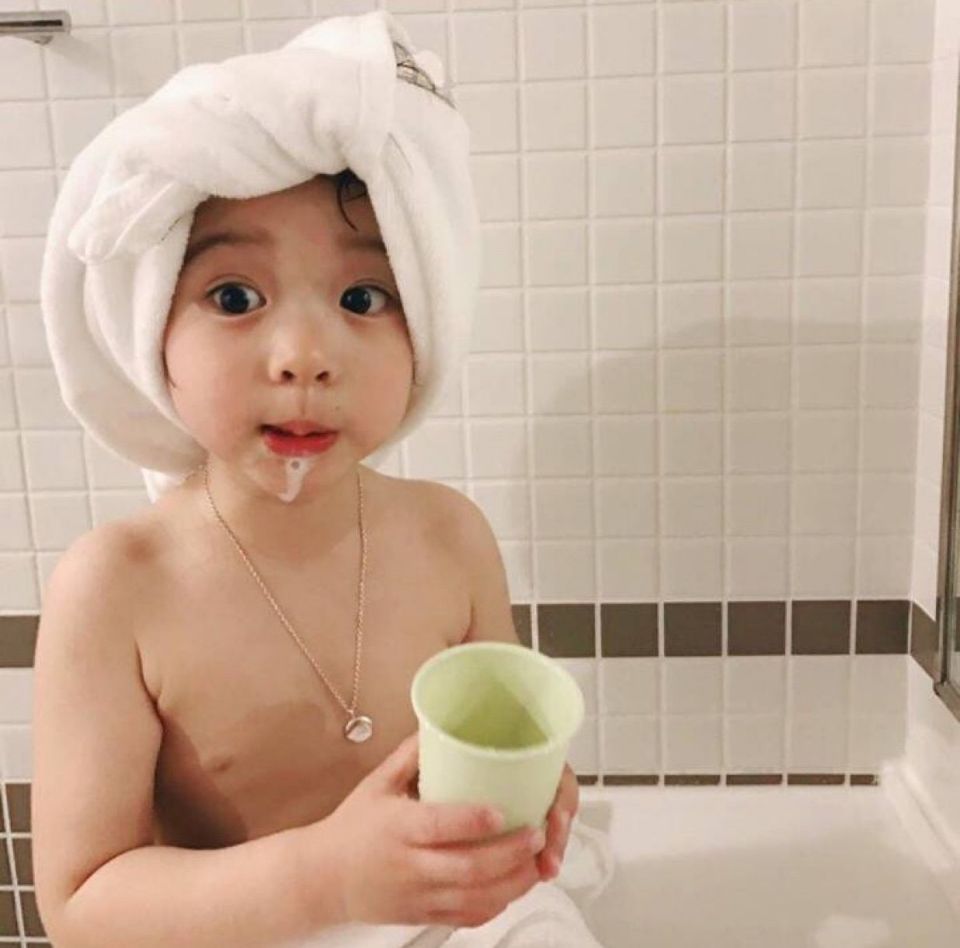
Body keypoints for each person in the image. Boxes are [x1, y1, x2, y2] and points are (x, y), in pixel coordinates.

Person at [30, 10, 597, 948]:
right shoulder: (120, 586)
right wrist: (326, 877)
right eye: (235, 297)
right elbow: (81, 905)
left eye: (363, 298)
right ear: (151, 331)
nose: (303, 355)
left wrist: (523, 801)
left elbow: (489, 750)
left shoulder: (449, 538)